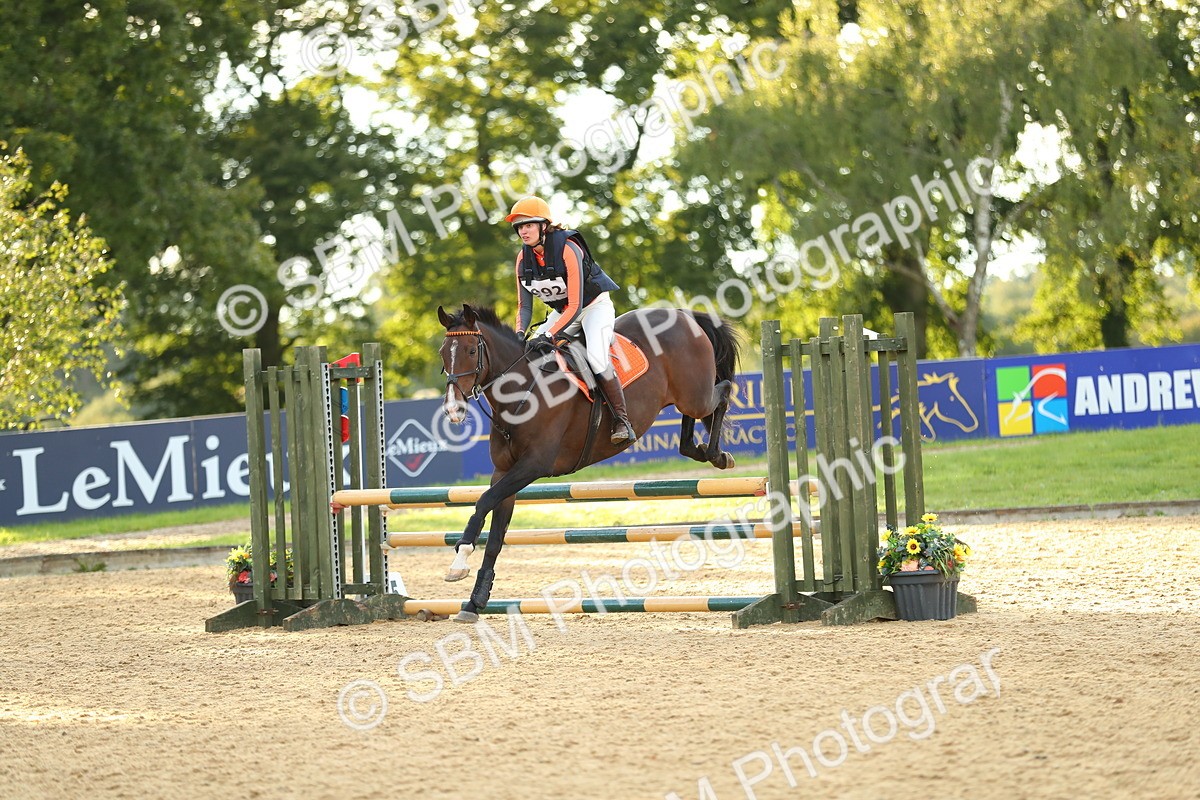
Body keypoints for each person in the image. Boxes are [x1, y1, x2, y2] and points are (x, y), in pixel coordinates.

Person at [505, 196, 635, 445]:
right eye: (519, 227)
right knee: (528, 355)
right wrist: (520, 333)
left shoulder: (568, 248)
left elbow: (576, 305)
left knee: (597, 357)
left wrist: (548, 334)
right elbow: (524, 306)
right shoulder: (523, 259)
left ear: (544, 226)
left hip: (593, 307)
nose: (523, 231)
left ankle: (622, 420)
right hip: (564, 311)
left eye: (529, 224)